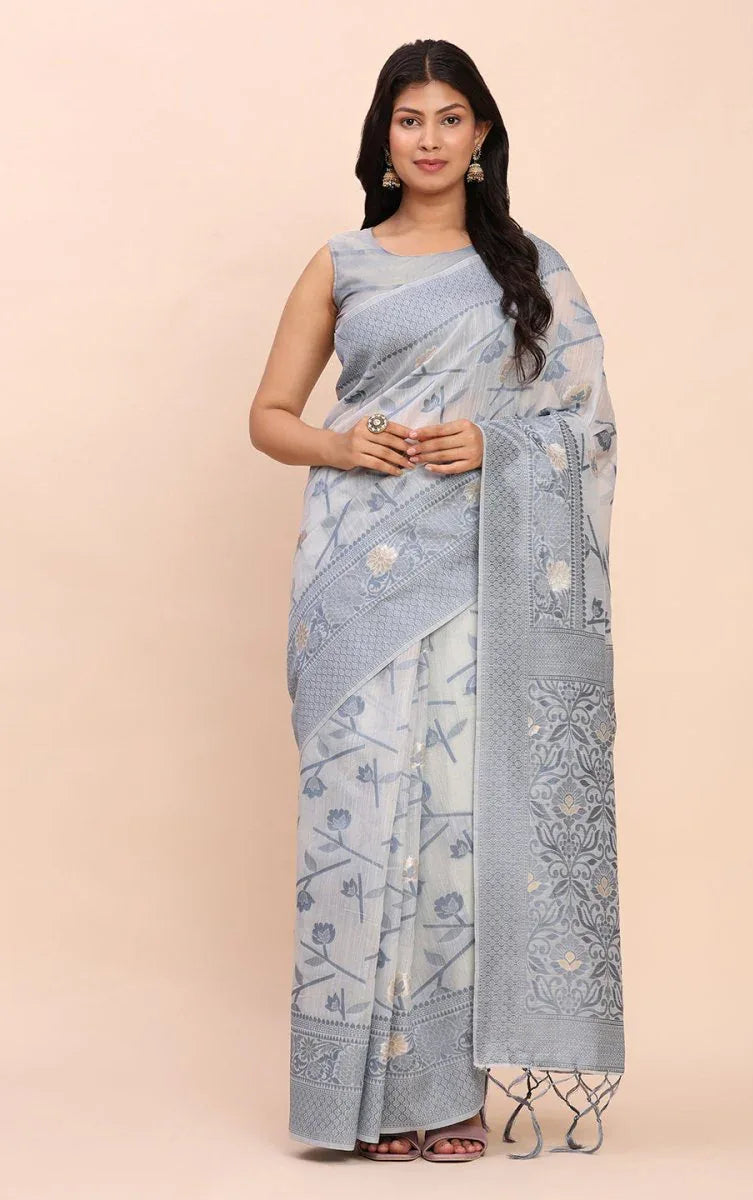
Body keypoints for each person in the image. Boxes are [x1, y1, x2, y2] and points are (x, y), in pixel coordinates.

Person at [249, 38, 625, 1162]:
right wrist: (342, 445)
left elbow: (591, 425)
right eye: (408, 119)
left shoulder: (531, 268)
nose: (428, 138)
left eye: (450, 117)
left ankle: (447, 1094)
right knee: (358, 819)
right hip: (353, 570)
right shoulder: (341, 264)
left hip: (476, 567)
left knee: (458, 820)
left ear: (480, 136)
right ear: (382, 137)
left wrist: (496, 443)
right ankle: (355, 1102)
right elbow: (269, 416)